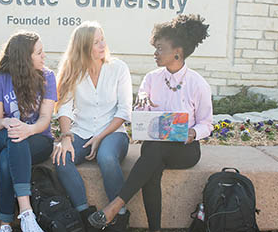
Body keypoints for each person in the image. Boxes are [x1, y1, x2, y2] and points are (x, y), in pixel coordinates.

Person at [88, 14, 213, 232]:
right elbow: (141, 119)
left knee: (153, 156)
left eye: (160, 49)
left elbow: (207, 124)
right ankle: (150, 227)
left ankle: (115, 206)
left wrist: (192, 132)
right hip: (154, 146)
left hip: (184, 149)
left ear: (178, 52)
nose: (155, 53)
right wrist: (142, 105)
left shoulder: (198, 84)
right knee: (153, 159)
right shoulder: (152, 78)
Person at [52, 21, 133, 232]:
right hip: (81, 132)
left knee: (106, 157)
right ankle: (84, 214)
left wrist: (99, 137)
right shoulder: (73, 72)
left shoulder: (119, 68)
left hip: (113, 133)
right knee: (61, 159)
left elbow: (124, 111)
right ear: (84, 47)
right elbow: (65, 109)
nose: (102, 45)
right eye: (96, 42)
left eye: (102, 39)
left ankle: (120, 215)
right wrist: (66, 138)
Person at [0, 31, 57, 232]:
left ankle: (5, 223)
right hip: (6, 134)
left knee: (6, 159)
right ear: (25, 58)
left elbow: (45, 119)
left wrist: (29, 129)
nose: (44, 56)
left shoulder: (47, 77)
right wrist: (8, 122)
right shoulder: (0, 78)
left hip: (39, 138)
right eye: (39, 53)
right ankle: (27, 213)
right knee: (15, 136)